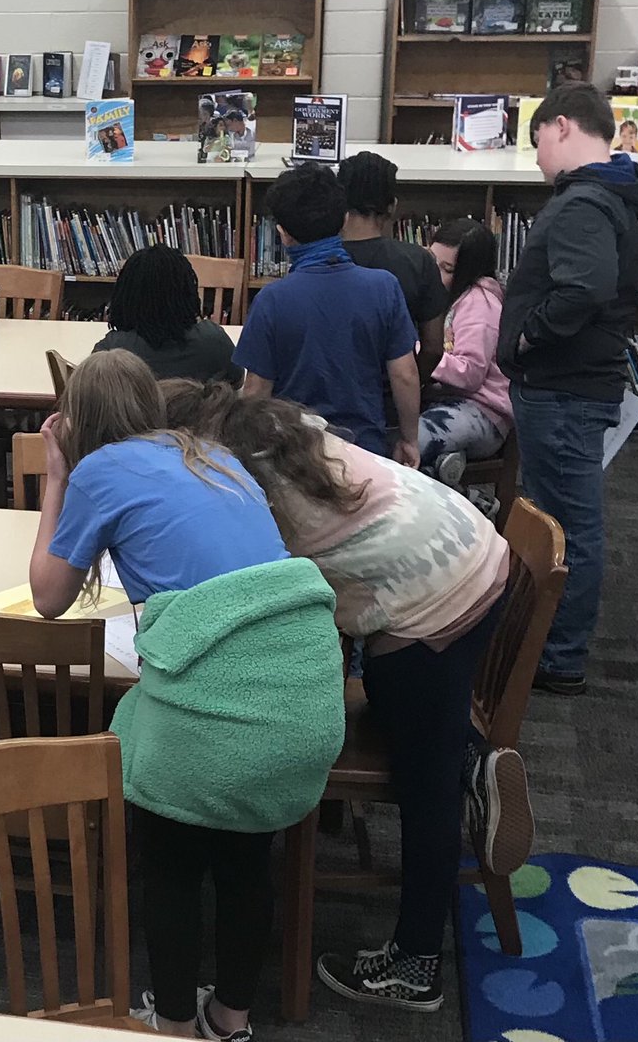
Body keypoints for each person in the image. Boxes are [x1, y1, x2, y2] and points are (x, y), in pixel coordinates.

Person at [162, 380, 535, 1014]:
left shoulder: (235, 482)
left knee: (424, 788)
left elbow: (254, 595)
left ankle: (417, 965)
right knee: (389, 697)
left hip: (434, 597)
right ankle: (468, 759)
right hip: (469, 543)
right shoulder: (276, 424)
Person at [29, 350, 345, 1040]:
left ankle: (171, 1023)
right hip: (306, 688)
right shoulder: (211, 454)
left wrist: (56, 476)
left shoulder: (96, 471)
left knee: (169, 862)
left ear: (76, 420)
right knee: (243, 857)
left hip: (223, 714)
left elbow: (49, 598)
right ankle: (229, 1020)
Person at [498, 82, 638, 695]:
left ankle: (559, 654)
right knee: (562, 516)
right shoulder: (617, 195)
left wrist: (523, 339)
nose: (536, 156)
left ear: (562, 127)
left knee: (567, 523)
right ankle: (549, 640)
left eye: (537, 139)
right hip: (577, 383)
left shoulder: (582, 204)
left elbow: (583, 288)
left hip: (563, 386)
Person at [233, 162, 421, 465]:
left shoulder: (271, 301)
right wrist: (410, 439)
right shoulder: (384, 287)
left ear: (283, 235)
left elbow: (256, 392)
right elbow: (406, 375)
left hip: (295, 457)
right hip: (365, 453)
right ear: (344, 219)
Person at [420, 219, 513, 511]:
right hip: (449, 403)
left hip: (483, 414)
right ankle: (467, 496)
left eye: (447, 270)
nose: (435, 274)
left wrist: (420, 352)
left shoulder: (479, 302)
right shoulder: (444, 295)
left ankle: (468, 502)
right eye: (431, 262)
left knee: (407, 444)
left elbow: (470, 374)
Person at [337, 150, 448, 382]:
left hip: (319, 400)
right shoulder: (419, 261)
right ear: (392, 206)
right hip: (390, 399)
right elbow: (433, 348)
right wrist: (411, 387)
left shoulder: (317, 259)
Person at [93, 245, 243, 384]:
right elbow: (237, 380)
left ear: (125, 295)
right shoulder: (213, 341)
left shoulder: (113, 350)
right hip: (198, 412)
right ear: (187, 292)